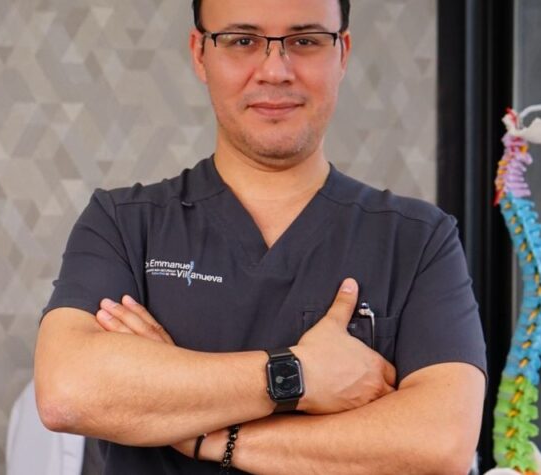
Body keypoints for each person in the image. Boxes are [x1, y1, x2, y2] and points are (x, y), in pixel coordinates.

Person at [34, 0, 487, 473]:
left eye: (305, 40)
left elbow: (441, 443)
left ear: (343, 53)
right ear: (200, 53)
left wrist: (203, 434)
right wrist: (299, 373)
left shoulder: (418, 240)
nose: (275, 71)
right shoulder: (124, 224)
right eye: (242, 41)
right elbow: (69, 390)